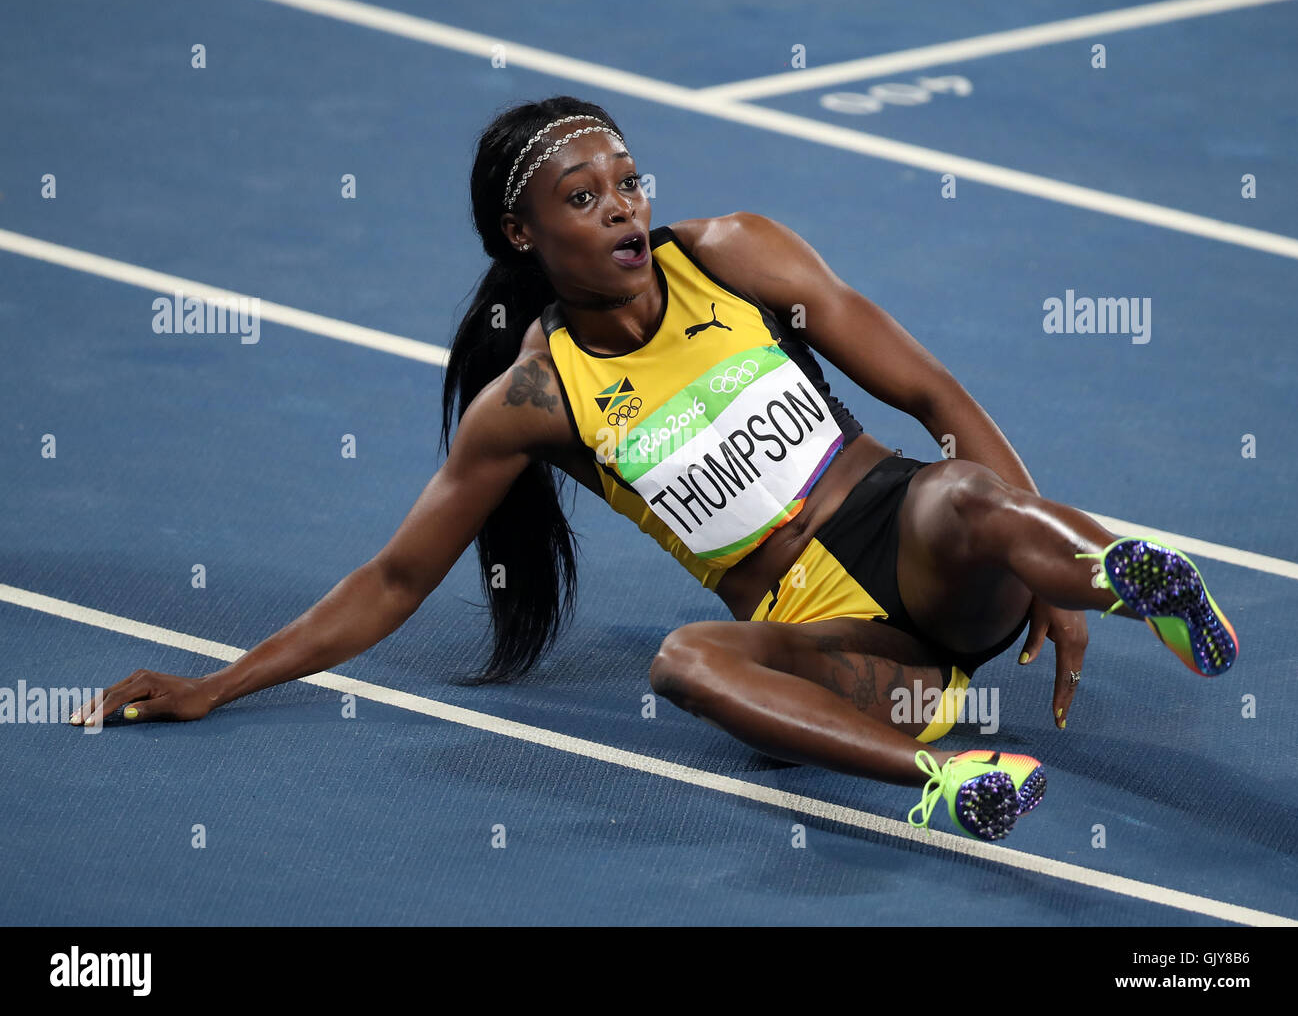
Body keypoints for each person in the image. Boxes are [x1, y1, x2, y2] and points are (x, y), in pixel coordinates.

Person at [71, 96, 1238, 843]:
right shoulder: (535, 401)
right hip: (838, 646)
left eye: (629, 181)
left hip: (924, 546)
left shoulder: (732, 256)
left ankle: (1126, 577)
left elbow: (936, 399)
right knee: (685, 663)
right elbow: (390, 584)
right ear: (525, 238)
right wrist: (216, 684)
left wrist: (1048, 569)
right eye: (585, 200)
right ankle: (940, 781)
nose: (624, 210)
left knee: (962, 491)